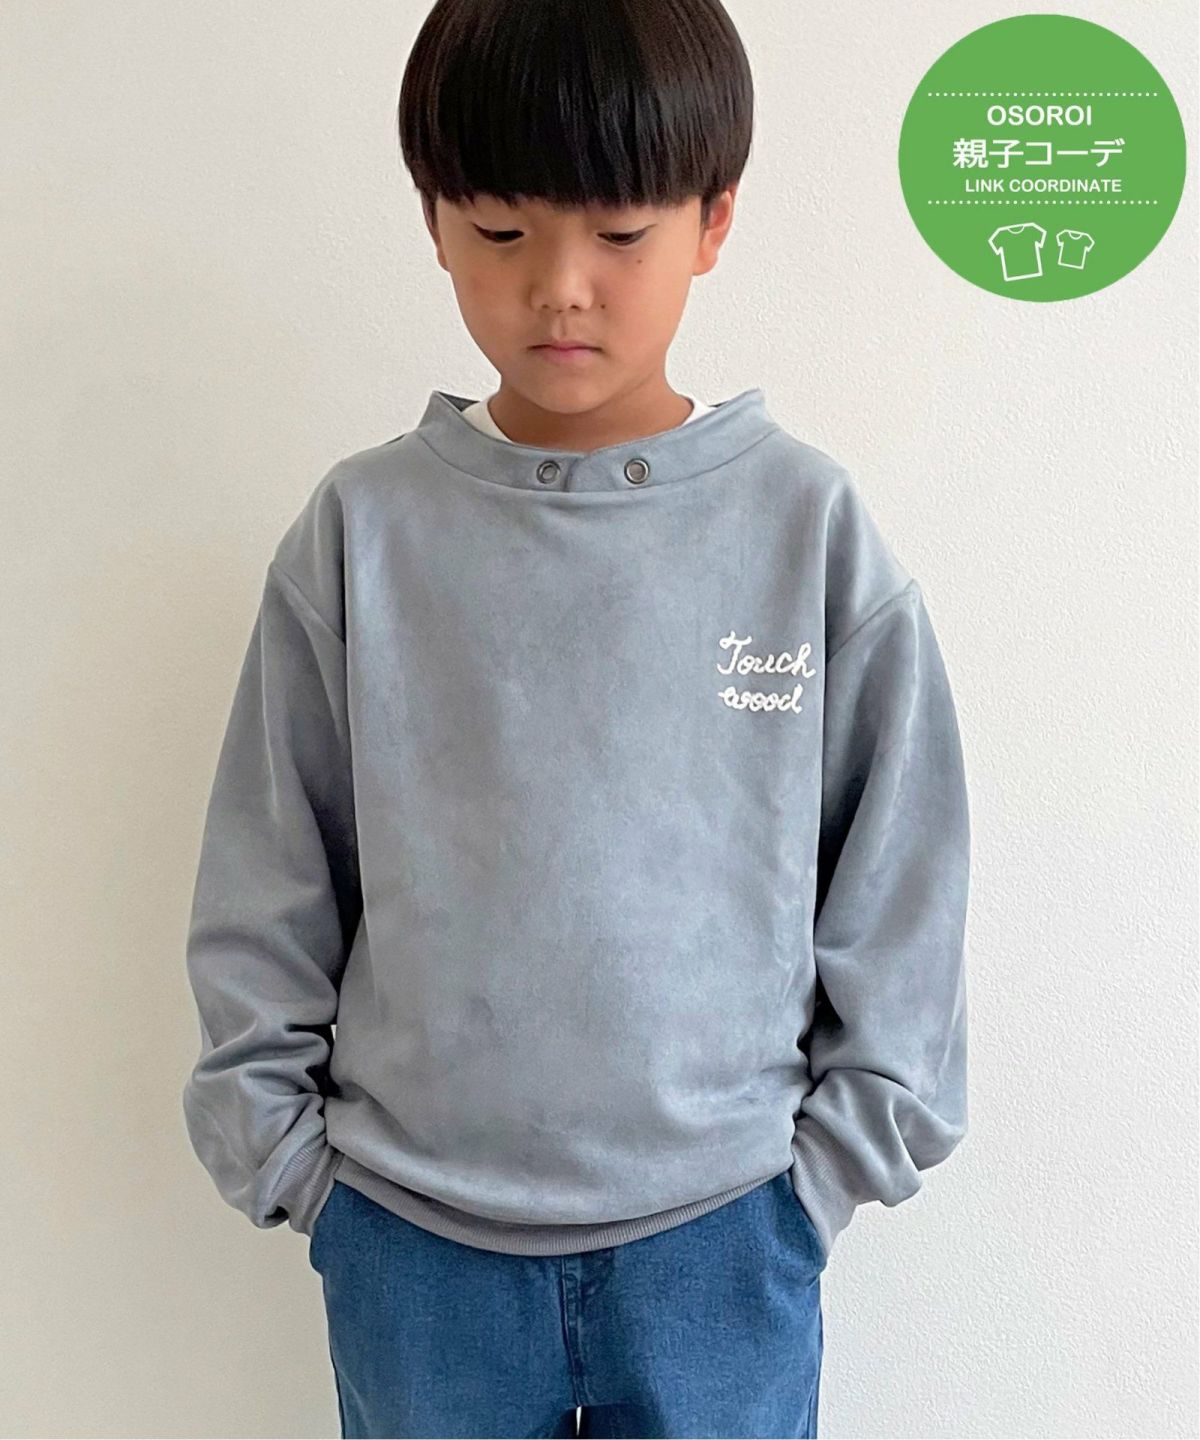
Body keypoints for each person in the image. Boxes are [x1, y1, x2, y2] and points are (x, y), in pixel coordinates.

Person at [180, 0, 971, 1435]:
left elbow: (901, 874)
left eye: (618, 233)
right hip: (413, 1245)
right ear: (434, 221)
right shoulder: (364, 531)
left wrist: (828, 1175)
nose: (559, 288)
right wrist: (291, 1165)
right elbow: (269, 867)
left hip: (727, 1238)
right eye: (500, 230)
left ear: (713, 220)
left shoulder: (805, 528)